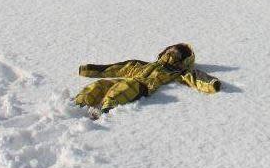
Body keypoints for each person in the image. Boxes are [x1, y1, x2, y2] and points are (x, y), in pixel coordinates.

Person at [74, 43, 220, 119]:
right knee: (100, 85)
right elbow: (120, 67)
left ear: (183, 59)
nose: (172, 54)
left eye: (176, 53)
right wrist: (89, 69)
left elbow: (196, 78)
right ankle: (77, 104)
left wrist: (212, 84)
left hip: (142, 86)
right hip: (130, 79)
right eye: (171, 51)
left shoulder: (177, 72)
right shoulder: (145, 65)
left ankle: (105, 110)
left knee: (123, 88)